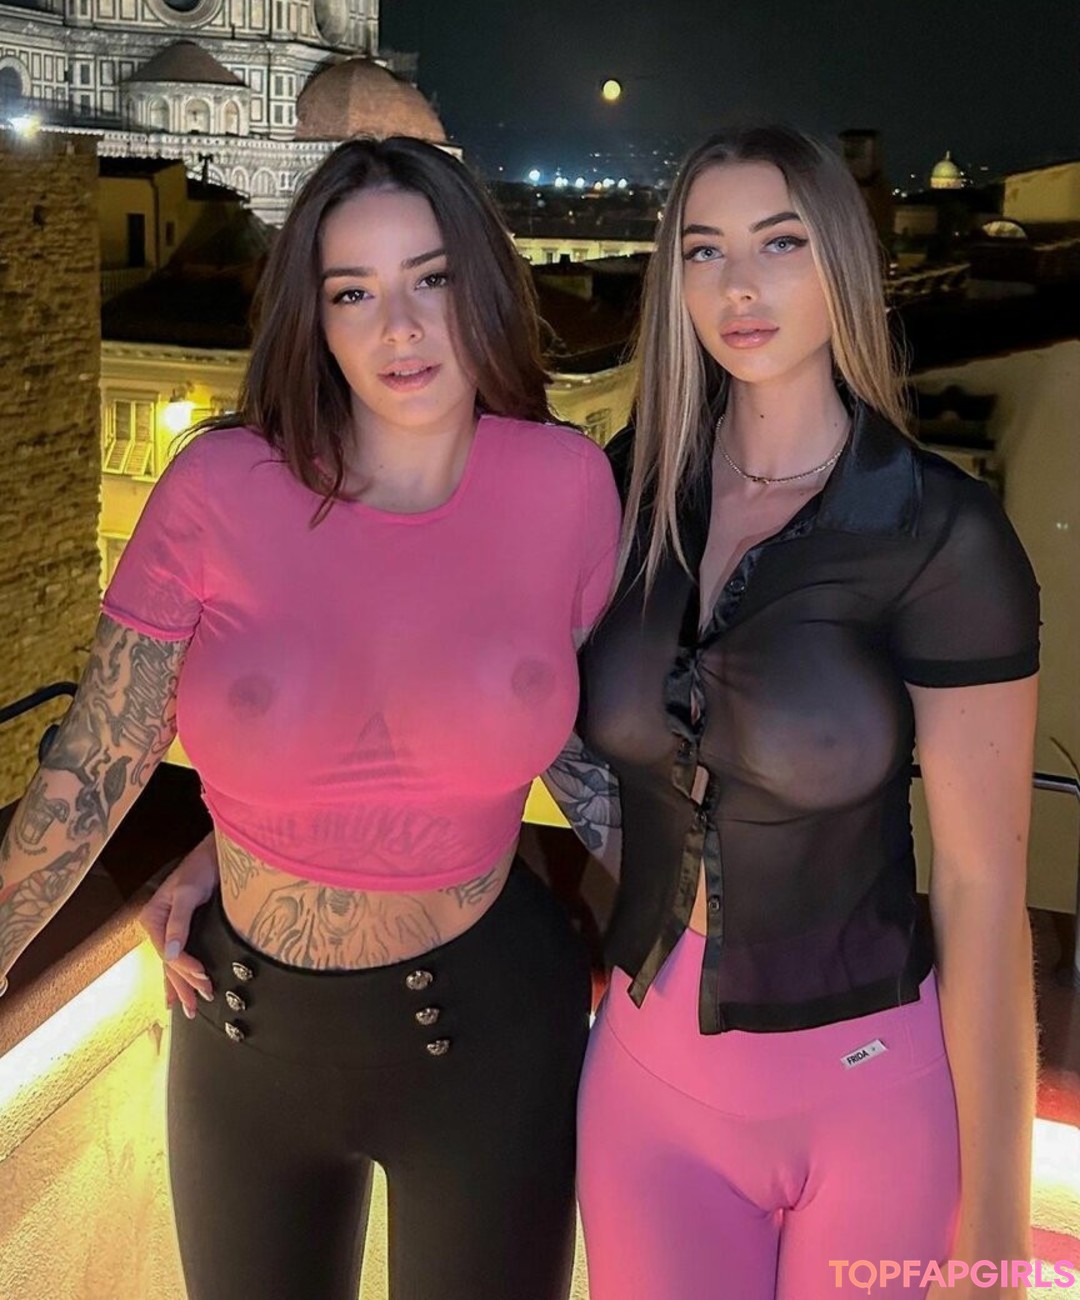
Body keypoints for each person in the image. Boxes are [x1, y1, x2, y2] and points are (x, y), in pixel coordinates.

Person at [0, 135, 621, 1300]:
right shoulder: (217, 487)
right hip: (244, 1034)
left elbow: (593, 761)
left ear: (484, 284)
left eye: (431, 279)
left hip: (492, 1034)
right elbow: (99, 760)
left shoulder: (566, 485)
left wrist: (730, 946)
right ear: (315, 318)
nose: (400, 327)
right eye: (354, 292)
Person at [549, 125, 1040, 1300]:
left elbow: (983, 888)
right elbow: (481, 690)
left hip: (874, 1099)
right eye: (704, 250)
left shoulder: (940, 534)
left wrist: (998, 1228)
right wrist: (239, 848)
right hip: (646, 1088)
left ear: (842, 262)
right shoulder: (624, 493)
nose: (740, 286)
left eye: (780, 243)